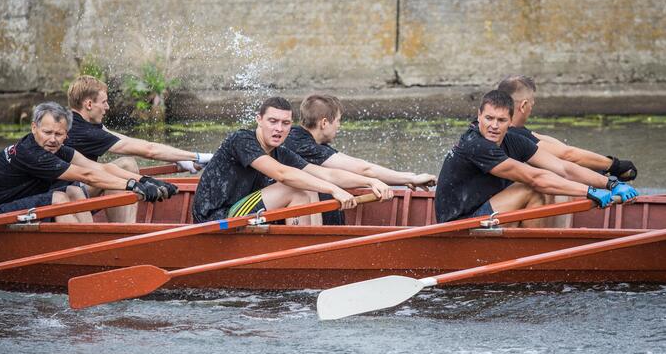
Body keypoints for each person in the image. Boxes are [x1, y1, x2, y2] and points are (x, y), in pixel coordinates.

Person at [434, 90, 638, 226]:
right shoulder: (475, 144)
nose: (494, 126)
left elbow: (564, 168)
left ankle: (532, 246)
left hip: (484, 213)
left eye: (501, 120)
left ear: (511, 121)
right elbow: (535, 179)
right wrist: (589, 191)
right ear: (479, 116)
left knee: (553, 180)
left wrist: (611, 183)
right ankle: (530, 251)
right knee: (531, 187)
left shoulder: (515, 141)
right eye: (489, 118)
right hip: (457, 225)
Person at [192, 97, 394, 225]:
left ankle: (314, 249)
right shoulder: (242, 140)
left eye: (285, 123)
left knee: (310, 186)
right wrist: (334, 190)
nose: (279, 129)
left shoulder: (282, 152)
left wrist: (370, 182)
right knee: (294, 187)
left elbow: (327, 174)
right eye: (273, 121)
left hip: (244, 214)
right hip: (216, 218)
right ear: (259, 120)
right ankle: (306, 254)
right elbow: (283, 174)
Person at [0, 102, 172, 222]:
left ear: (66, 134)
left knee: (73, 191)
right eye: (47, 132)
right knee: (58, 197)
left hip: (16, 204)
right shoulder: (30, 152)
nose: (52, 139)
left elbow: (99, 168)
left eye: (59, 133)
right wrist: (132, 186)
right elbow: (86, 175)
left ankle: (103, 243)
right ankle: (90, 252)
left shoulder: (58, 149)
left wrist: (146, 180)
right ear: (33, 128)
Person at [65, 75, 211, 222]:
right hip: (66, 200)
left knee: (126, 164)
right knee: (126, 166)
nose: (107, 107)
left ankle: (122, 230)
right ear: (89, 104)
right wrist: (197, 156)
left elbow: (129, 141)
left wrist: (181, 158)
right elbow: (149, 150)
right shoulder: (85, 131)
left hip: (78, 189)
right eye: (104, 102)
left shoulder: (75, 122)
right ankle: (124, 231)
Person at [284, 93, 437, 224]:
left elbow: (358, 168)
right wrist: (409, 178)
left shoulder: (310, 142)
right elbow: (363, 169)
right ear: (324, 123)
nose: (339, 126)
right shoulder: (300, 143)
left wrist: (408, 178)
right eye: (338, 120)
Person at [498, 75, 637, 180]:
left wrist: (596, 167)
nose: (531, 110)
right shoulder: (513, 134)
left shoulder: (503, 128)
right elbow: (568, 155)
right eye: (531, 106)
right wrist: (614, 165)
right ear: (523, 106)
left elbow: (554, 145)